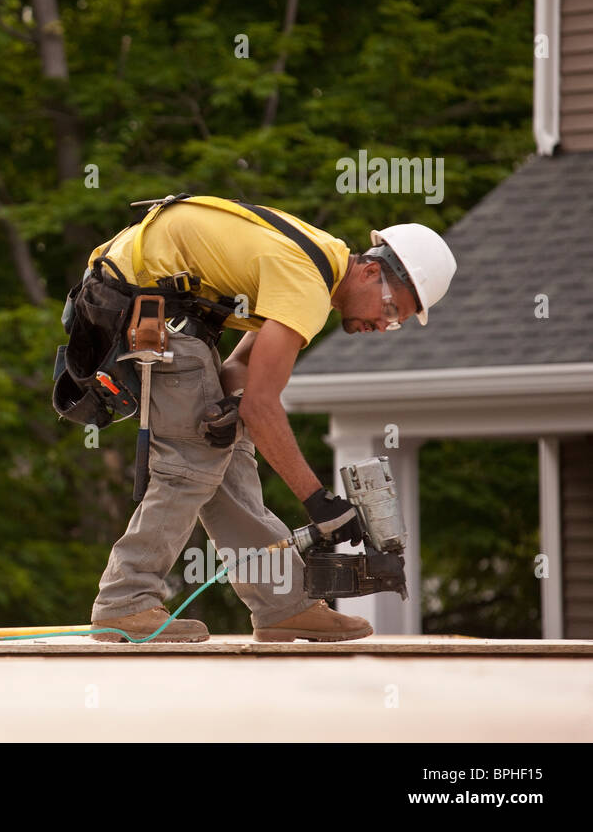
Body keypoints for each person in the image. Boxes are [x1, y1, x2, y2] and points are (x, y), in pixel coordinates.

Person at [64, 194, 456, 643]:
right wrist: (318, 501)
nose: (383, 325)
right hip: (145, 308)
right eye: (389, 309)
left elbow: (242, 376)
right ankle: (125, 601)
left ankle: (284, 604)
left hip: (151, 307)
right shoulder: (308, 281)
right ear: (370, 271)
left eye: (396, 322)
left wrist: (226, 405)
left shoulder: (319, 265)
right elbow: (263, 405)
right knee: (191, 460)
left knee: (226, 454)